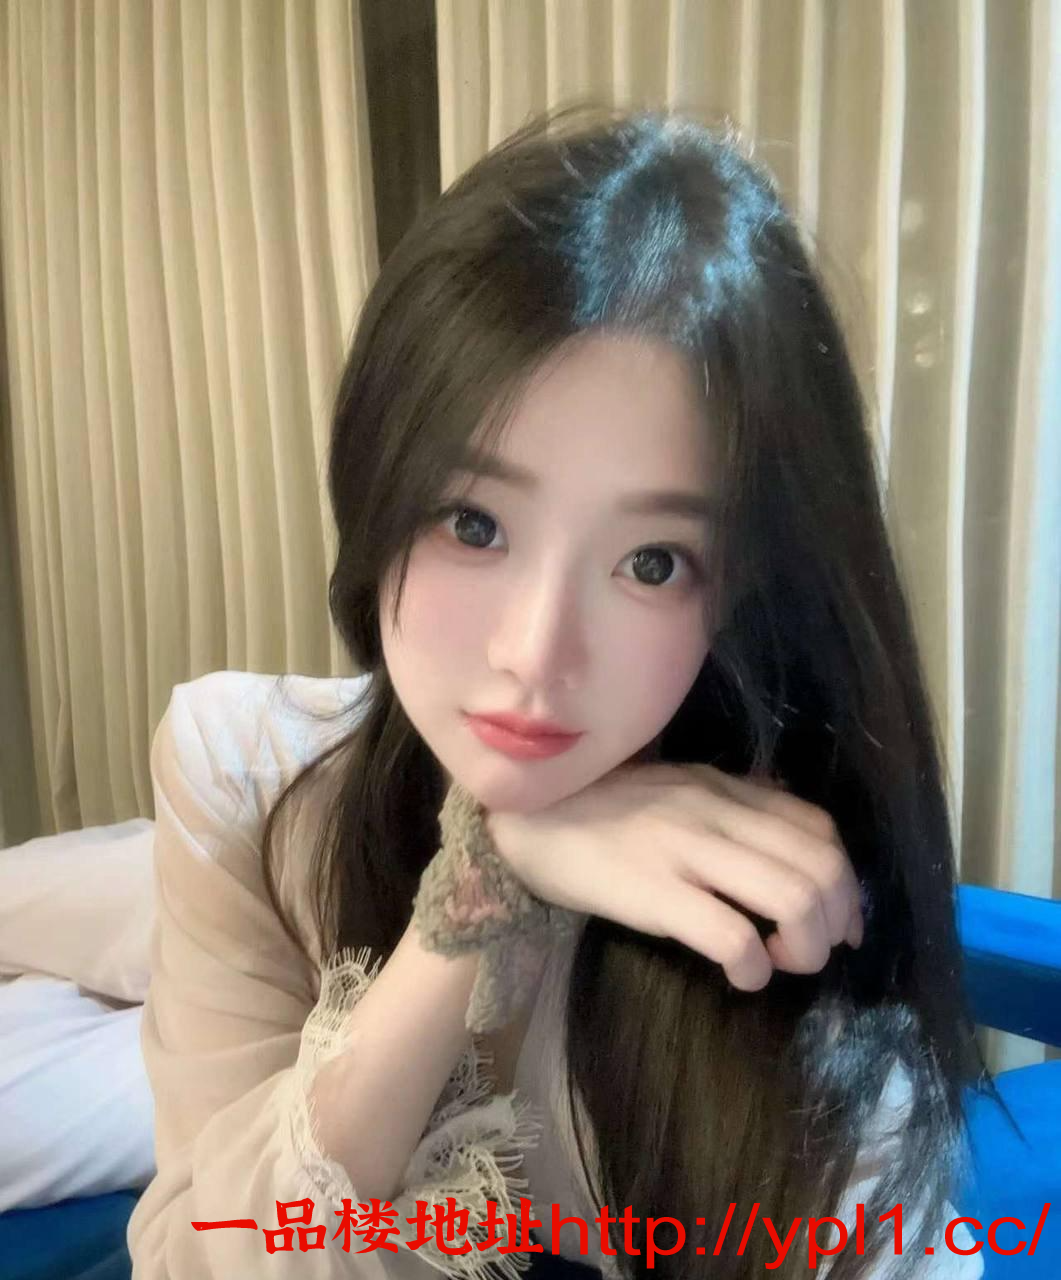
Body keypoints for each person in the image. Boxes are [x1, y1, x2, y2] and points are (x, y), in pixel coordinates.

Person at [127, 108, 987, 1279]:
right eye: (472, 521)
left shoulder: (780, 910)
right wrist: (479, 893)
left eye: (651, 562)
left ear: (739, 588)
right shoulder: (247, 773)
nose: (535, 656)